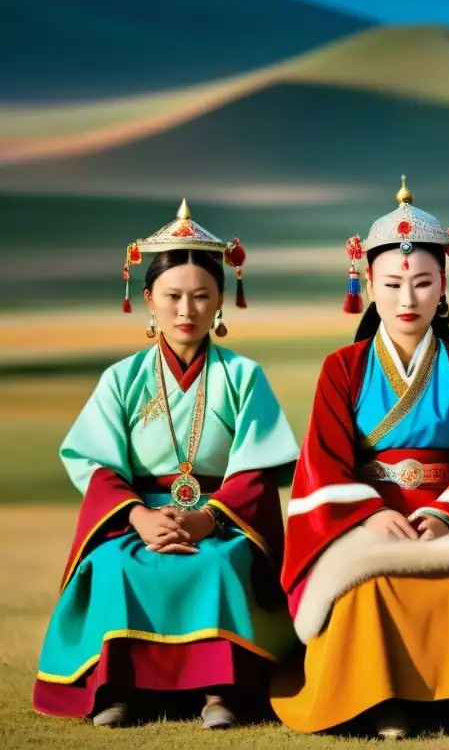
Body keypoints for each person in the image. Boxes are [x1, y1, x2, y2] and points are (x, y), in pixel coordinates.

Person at [270, 176, 449, 739]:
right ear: (367, 284)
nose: (406, 299)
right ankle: (376, 698)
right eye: (391, 284)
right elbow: (323, 460)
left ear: (444, 285)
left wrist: (444, 516)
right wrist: (369, 514)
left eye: (421, 283)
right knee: (367, 583)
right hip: (365, 514)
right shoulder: (342, 366)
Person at [33, 200, 300, 728]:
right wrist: (138, 517)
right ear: (148, 299)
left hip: (220, 518)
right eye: (173, 297)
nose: (186, 310)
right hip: (139, 515)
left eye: (202, 296)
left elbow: (255, 467)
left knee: (220, 564)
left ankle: (220, 691)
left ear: (221, 300)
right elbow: (98, 462)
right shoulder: (121, 378)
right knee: (117, 564)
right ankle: (120, 688)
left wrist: (207, 518)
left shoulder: (244, 376)